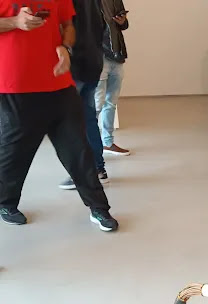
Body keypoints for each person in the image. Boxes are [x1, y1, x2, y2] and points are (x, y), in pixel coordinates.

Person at [0, 3, 118, 232]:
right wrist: (15, 22)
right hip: (14, 85)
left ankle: (99, 208)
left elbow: (68, 25)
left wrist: (65, 46)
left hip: (60, 84)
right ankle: (6, 204)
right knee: (14, 153)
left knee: (78, 150)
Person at [59, 0, 109, 190]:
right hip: (93, 61)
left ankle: (85, 173)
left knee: (73, 123)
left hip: (75, 64)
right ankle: (97, 169)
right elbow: (102, 26)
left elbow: (65, 28)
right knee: (87, 118)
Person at [95, 0, 130, 156]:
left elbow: (124, 25)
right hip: (99, 56)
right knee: (97, 103)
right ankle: (90, 145)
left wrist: (123, 21)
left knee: (111, 102)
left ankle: (108, 142)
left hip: (117, 55)